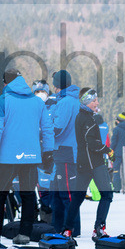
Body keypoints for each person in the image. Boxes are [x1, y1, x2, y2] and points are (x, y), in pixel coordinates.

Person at [0, 68, 54, 244]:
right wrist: (48, 152)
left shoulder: (1, 101)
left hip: (8, 157)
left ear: (6, 83)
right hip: (31, 157)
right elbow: (47, 129)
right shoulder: (37, 102)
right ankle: (25, 234)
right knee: (28, 195)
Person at [69, 89, 114, 240]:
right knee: (107, 195)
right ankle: (99, 228)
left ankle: (67, 229)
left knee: (77, 197)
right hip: (93, 163)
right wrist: (107, 150)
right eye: (94, 100)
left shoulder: (83, 116)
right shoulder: (87, 118)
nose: (97, 103)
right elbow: (92, 143)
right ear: (86, 101)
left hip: (83, 162)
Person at [49, 70, 81, 235]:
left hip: (66, 151)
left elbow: (58, 128)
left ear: (57, 85)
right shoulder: (70, 100)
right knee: (58, 192)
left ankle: (71, 228)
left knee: (67, 193)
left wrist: (43, 131)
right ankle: (59, 226)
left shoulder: (66, 102)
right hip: (65, 150)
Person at [110, 113, 125, 191]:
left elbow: (114, 141)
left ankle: (117, 187)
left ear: (118, 121)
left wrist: (111, 150)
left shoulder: (116, 129)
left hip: (117, 153)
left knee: (116, 169)